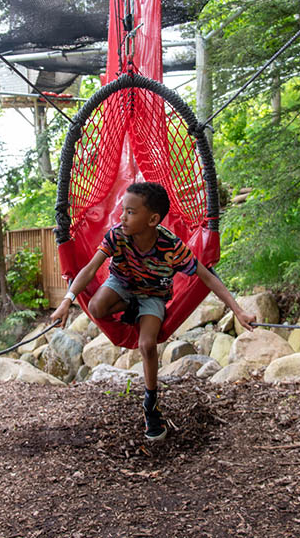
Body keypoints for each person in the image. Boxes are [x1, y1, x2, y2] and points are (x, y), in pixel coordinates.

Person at [50, 181, 257, 441]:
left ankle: (151, 404)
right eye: (123, 210)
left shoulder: (171, 246)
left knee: (147, 345)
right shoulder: (117, 235)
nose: (122, 217)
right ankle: (129, 307)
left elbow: (207, 276)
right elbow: (91, 269)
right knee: (95, 307)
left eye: (131, 212)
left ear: (153, 219)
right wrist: (67, 300)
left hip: (153, 294)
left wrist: (238, 310)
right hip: (121, 284)